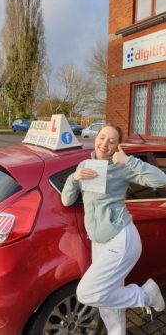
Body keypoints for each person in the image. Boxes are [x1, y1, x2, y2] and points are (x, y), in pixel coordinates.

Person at [61, 123, 166, 335]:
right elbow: (66, 200)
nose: (105, 143)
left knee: (87, 292)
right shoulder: (84, 164)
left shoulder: (122, 167)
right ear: (95, 138)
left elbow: (161, 180)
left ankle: (146, 295)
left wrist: (129, 161)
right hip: (98, 241)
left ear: (117, 145)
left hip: (121, 237)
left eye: (112, 140)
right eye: (102, 137)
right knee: (108, 299)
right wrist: (75, 178)